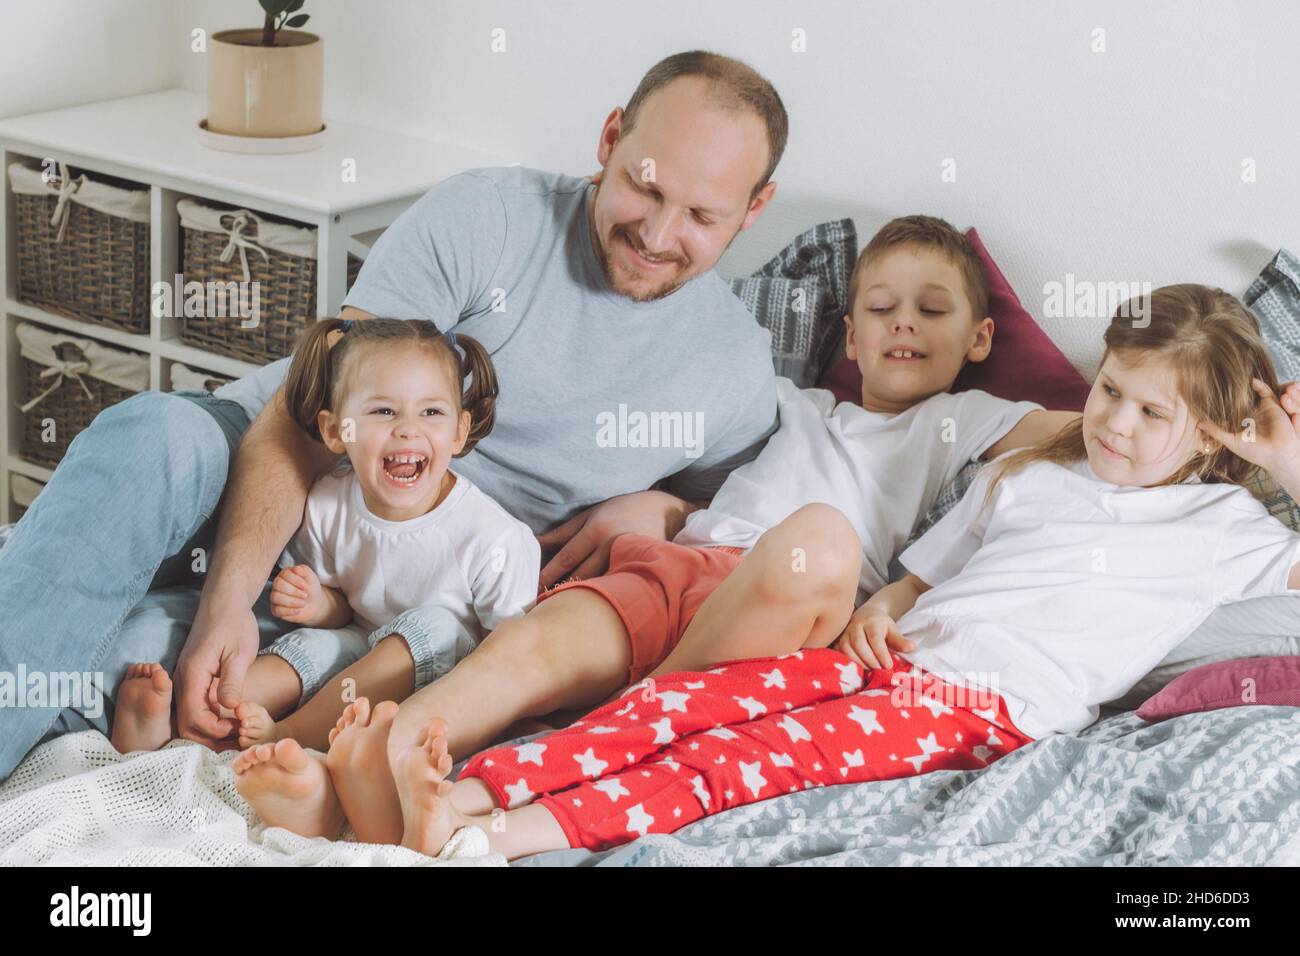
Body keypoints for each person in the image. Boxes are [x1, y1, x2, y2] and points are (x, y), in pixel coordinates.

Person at [0, 49, 785, 781]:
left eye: (700, 217)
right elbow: (306, 419)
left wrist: (671, 505)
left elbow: (744, 539)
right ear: (612, 138)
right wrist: (227, 603)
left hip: (376, 600)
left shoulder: (733, 368)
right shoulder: (491, 217)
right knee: (153, 439)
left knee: (123, 667)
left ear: (754, 209)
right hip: (278, 470)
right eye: (645, 187)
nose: (656, 233)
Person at [233, 215, 1081, 843]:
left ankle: (589, 746)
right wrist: (668, 508)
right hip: (677, 566)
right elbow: (697, 461)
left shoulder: (964, 419)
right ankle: (372, 777)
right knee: (527, 648)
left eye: (931, 311)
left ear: (978, 338)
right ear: (849, 333)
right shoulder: (791, 402)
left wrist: (1195, 421)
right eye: (882, 308)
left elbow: (1086, 431)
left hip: (790, 609)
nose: (903, 324)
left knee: (819, 535)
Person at [384, 283, 1300, 859]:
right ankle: (467, 792)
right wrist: (883, 609)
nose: (1116, 425)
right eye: (1111, 392)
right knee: (683, 703)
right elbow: (922, 580)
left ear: (1212, 435)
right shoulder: (1034, 474)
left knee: (737, 760)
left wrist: (1281, 461)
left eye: (1152, 415)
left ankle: (495, 841)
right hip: (891, 662)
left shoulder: (1229, 528)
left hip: (985, 711)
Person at [110, 318, 539, 756]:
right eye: (383, 411)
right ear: (336, 432)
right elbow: (344, 606)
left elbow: (509, 656)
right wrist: (319, 604)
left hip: (444, 680)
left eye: (431, 412)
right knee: (311, 648)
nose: (408, 429)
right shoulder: (328, 504)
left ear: (460, 431)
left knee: (433, 627)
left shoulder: (494, 538)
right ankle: (190, 724)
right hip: (358, 646)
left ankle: (287, 735)